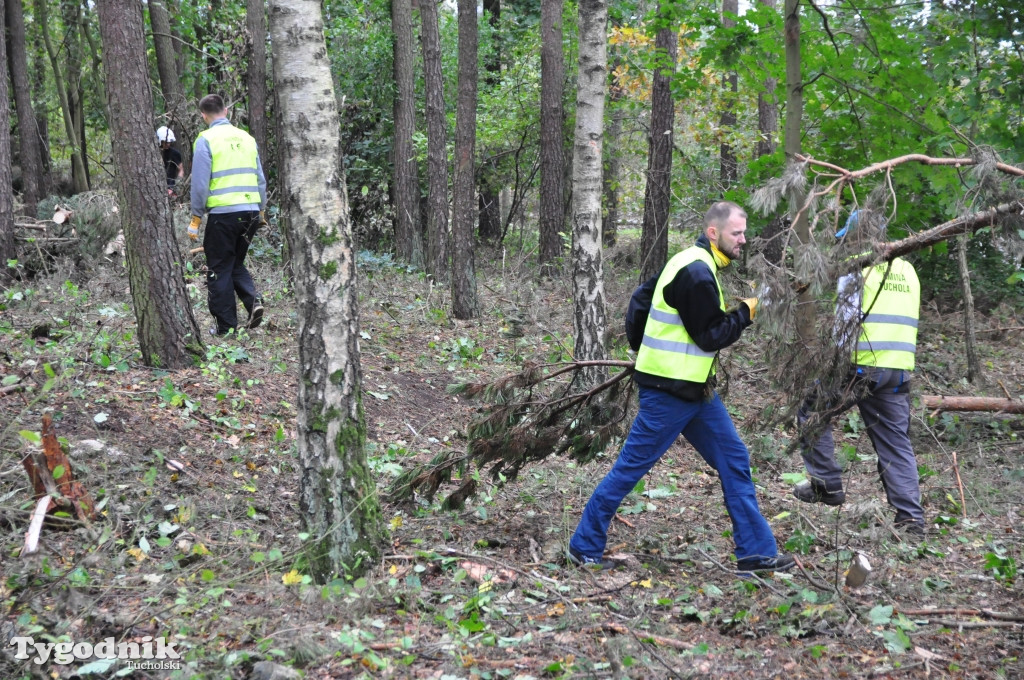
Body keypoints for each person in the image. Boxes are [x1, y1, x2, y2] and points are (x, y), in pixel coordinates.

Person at [568, 201, 795, 575]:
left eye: (743, 232)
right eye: (736, 233)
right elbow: (711, 336)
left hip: (694, 391)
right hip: (669, 394)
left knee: (734, 458)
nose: (743, 240)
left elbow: (641, 299)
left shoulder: (689, 261)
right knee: (629, 470)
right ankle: (584, 547)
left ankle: (755, 554)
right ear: (713, 233)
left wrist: (643, 348)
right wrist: (747, 312)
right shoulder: (697, 273)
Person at [793, 210, 925, 536]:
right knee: (895, 444)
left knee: (811, 411)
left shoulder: (855, 269)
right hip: (899, 371)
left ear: (855, 237)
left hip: (859, 367)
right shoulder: (908, 270)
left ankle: (828, 486)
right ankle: (911, 520)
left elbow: (846, 327)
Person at [189, 94, 266, 336]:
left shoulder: (206, 139)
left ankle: (226, 327)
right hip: (252, 211)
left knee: (219, 267)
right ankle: (254, 304)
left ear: (204, 116)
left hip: (224, 214)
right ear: (227, 111)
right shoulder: (247, 138)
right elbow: (260, 179)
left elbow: (200, 185)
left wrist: (195, 219)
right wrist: (261, 210)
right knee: (234, 262)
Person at [157, 126, 184, 196]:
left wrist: (176, 185)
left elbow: (181, 170)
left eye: (169, 142)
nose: (168, 144)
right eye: (165, 142)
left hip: (171, 189)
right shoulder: (154, 153)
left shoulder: (174, 153)